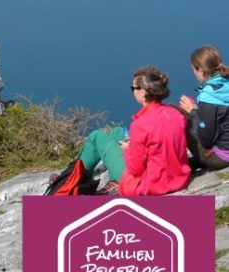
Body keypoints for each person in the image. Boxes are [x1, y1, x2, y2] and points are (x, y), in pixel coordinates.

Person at [78, 65, 190, 195]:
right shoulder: (176, 114)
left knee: (97, 136)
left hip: (152, 184)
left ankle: (73, 176)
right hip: (178, 178)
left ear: (143, 92)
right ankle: (101, 175)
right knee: (118, 132)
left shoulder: (140, 124)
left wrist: (127, 150)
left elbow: (135, 169)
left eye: (133, 88)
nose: (133, 91)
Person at [179, 44, 229, 170]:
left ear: (201, 71)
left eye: (193, 70)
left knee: (183, 121)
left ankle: (178, 167)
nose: (194, 73)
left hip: (222, 158)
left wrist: (193, 112)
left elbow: (206, 140)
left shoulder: (208, 96)